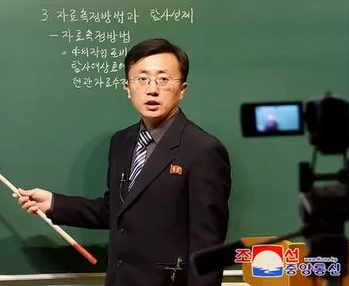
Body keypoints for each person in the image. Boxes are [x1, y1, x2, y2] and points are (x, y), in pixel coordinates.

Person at [14, 38, 231, 286]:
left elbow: (208, 247)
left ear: (182, 89)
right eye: (142, 79)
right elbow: (116, 210)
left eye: (163, 79)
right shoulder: (122, 142)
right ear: (127, 87)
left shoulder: (203, 150)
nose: (152, 89)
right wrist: (54, 203)